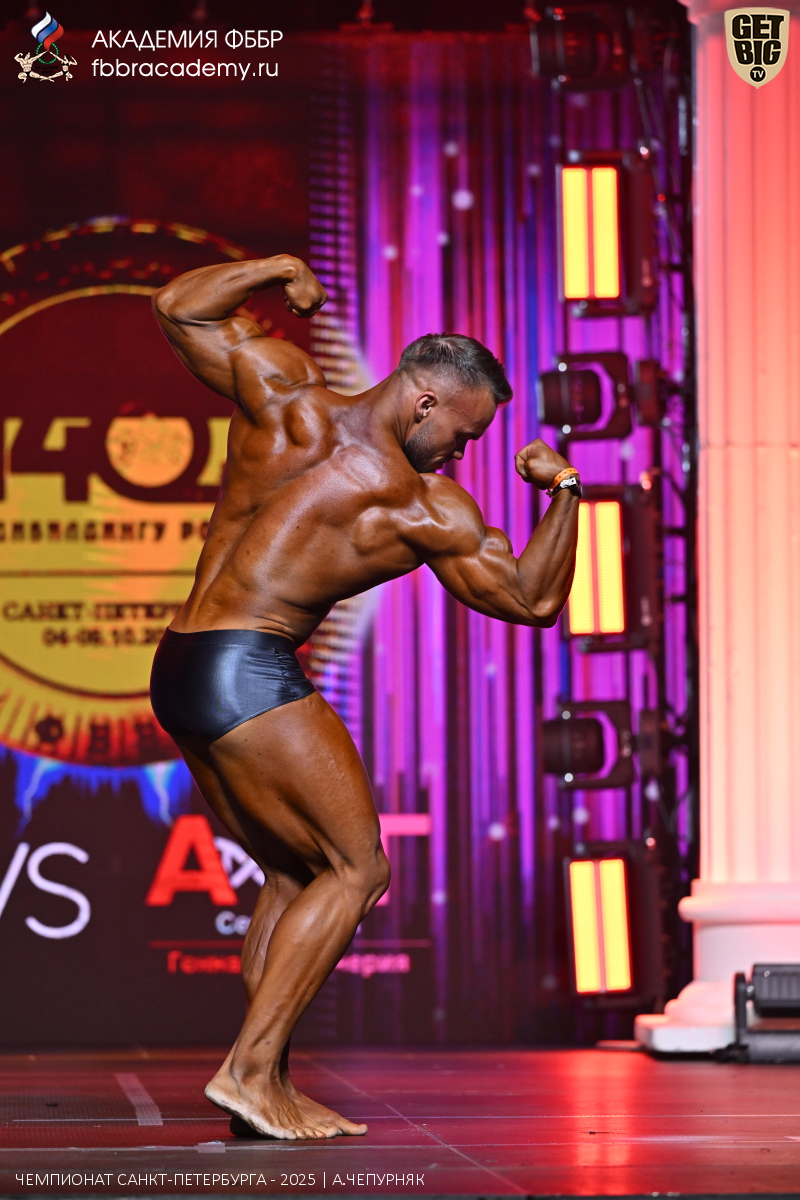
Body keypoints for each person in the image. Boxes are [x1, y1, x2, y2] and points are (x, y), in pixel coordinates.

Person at [149, 255, 581, 1141]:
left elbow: (179, 308)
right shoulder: (420, 506)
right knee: (358, 869)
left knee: (295, 872)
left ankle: (265, 1088)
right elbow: (533, 600)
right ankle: (248, 1073)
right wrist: (565, 490)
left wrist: (276, 271)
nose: (462, 452)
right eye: (462, 433)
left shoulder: (286, 397)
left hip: (183, 664)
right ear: (423, 402)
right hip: (251, 668)